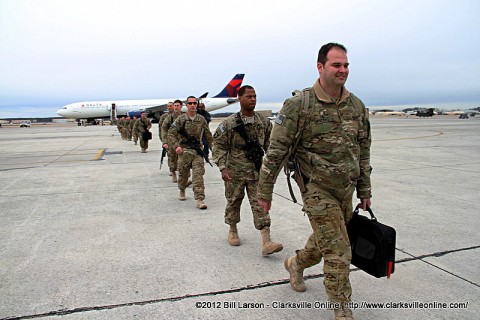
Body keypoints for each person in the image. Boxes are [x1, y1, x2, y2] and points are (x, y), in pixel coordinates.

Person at [257, 43, 372, 320]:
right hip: (316, 188)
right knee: (338, 252)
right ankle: (342, 311)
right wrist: (265, 190)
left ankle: (296, 263)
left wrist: (364, 188)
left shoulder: (356, 105)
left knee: (324, 242)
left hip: (345, 189)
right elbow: (276, 150)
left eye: (346, 65)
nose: (343, 70)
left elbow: (363, 147)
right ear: (320, 67)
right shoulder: (300, 105)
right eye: (336, 65)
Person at [213, 85, 283, 256]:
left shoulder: (263, 122)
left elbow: (271, 145)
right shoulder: (229, 123)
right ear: (240, 99)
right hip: (234, 172)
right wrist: (223, 168)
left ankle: (266, 241)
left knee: (260, 204)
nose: (253, 99)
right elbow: (218, 145)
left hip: (256, 172)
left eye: (255, 96)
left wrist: (273, 165)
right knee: (234, 201)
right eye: (249, 96)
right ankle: (232, 229)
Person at [168, 96, 213, 209]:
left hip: (197, 151)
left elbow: (208, 136)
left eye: (194, 103)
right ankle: (182, 189)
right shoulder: (181, 119)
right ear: (186, 105)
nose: (193, 105)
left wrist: (214, 150)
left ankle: (200, 199)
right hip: (184, 151)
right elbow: (171, 133)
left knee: (198, 176)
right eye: (190, 103)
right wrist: (176, 146)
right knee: (183, 175)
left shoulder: (201, 119)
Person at [161, 100, 183, 182]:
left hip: (182, 141)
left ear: (181, 106)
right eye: (175, 105)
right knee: (172, 158)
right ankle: (173, 173)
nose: (176, 107)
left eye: (178, 105)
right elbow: (164, 129)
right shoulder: (169, 118)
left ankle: (183, 175)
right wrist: (165, 142)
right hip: (171, 141)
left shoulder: (184, 116)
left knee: (183, 159)